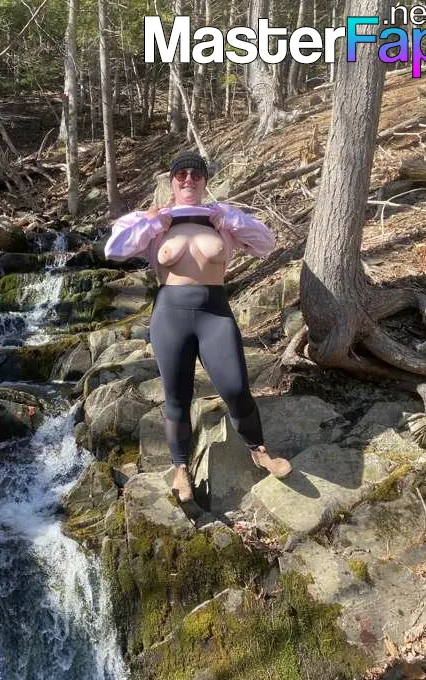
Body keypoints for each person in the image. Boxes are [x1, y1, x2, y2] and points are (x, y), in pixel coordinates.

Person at [104, 151, 291, 502]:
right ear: (172, 182)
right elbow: (114, 250)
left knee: (236, 387)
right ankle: (181, 469)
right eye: (181, 174)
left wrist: (231, 219)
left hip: (214, 313)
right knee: (177, 396)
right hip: (169, 315)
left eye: (195, 174)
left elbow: (266, 243)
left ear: (205, 181)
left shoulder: (221, 218)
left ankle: (259, 450)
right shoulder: (153, 219)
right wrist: (152, 223)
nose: (188, 179)